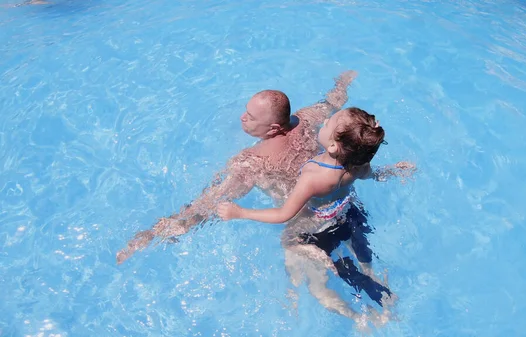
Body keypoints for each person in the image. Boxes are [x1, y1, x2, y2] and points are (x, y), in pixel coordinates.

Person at [116, 71, 360, 264]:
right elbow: (332, 102)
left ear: (274, 129)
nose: (242, 118)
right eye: (247, 111)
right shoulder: (308, 118)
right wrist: (345, 81)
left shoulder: (253, 161)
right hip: (343, 203)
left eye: (251, 117)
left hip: (307, 225)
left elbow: (208, 203)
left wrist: (153, 234)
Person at [216, 107, 398, 324]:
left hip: (318, 230)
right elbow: (372, 175)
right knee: (362, 258)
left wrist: (241, 212)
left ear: (332, 146)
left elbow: (284, 214)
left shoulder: (313, 176)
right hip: (349, 213)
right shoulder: (358, 164)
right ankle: (381, 290)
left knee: (313, 279)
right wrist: (394, 171)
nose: (326, 119)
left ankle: (358, 318)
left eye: (329, 122)